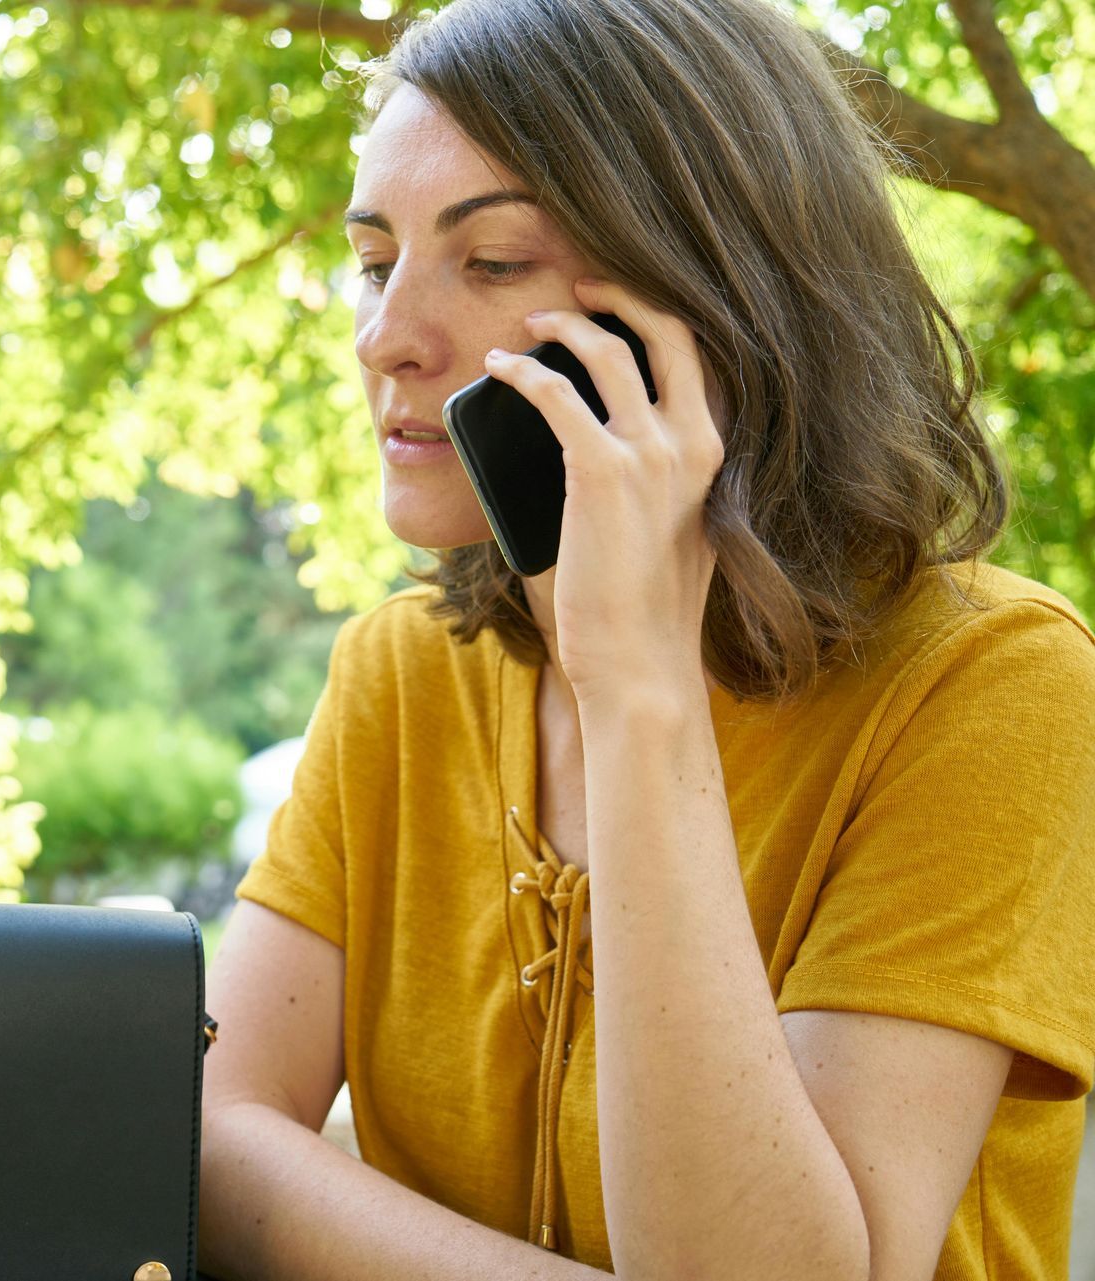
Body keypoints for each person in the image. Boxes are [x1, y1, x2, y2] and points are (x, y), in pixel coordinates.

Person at [193, 0, 1095, 1278]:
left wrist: (636, 687)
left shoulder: (995, 687)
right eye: (375, 260)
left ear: (708, 303)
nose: (386, 335)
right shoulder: (400, 673)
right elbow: (214, 1130)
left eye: (493, 262)